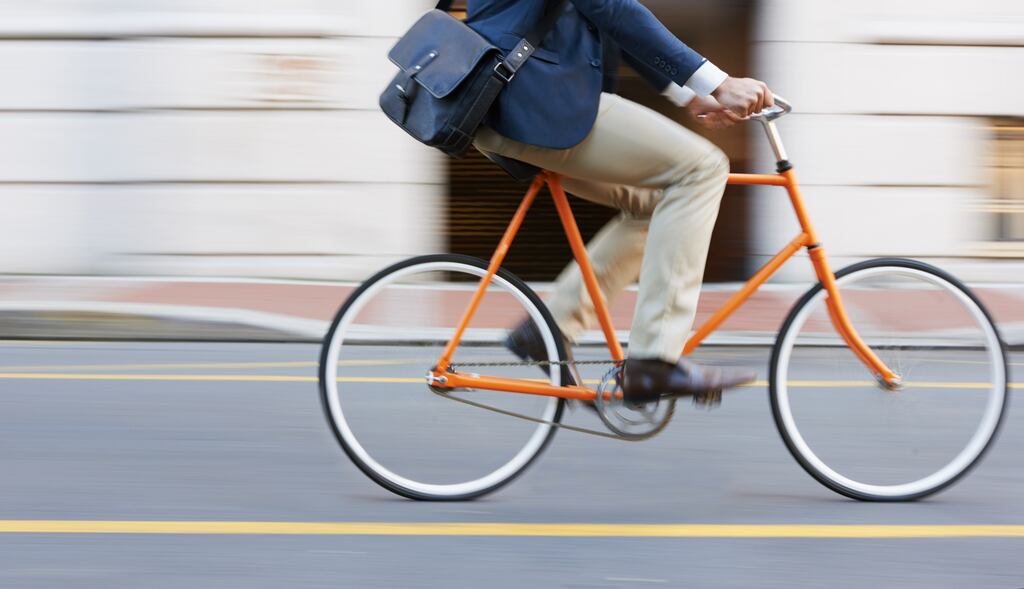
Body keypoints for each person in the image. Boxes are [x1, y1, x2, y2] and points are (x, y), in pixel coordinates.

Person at [464, 0, 773, 403]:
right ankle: (654, 361)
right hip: (537, 99)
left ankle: (550, 329)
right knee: (703, 168)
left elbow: (599, 18)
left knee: (655, 204)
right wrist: (716, 82)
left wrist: (689, 96)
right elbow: (610, 7)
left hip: (516, 100)